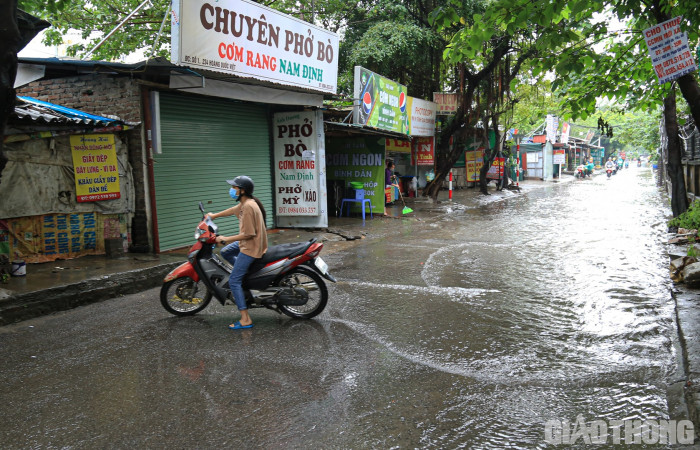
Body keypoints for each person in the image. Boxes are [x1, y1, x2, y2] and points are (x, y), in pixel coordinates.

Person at [207, 176, 268, 330]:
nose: (232, 190)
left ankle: (245, 318)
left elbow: (249, 234)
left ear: (243, 190)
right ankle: (244, 273)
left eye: (234, 188)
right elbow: (232, 210)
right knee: (227, 252)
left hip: (251, 247)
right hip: (250, 243)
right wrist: (213, 215)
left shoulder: (248, 207)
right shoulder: (246, 203)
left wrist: (225, 238)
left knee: (234, 281)